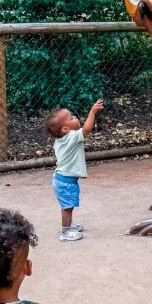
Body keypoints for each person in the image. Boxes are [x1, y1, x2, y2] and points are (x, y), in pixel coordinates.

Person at [44, 99, 104, 242]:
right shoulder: (71, 137)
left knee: (67, 206)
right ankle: (65, 232)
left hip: (62, 180)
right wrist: (92, 111)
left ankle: (69, 225)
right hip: (65, 181)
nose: (75, 117)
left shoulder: (61, 140)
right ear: (65, 129)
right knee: (68, 207)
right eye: (71, 118)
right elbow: (87, 129)